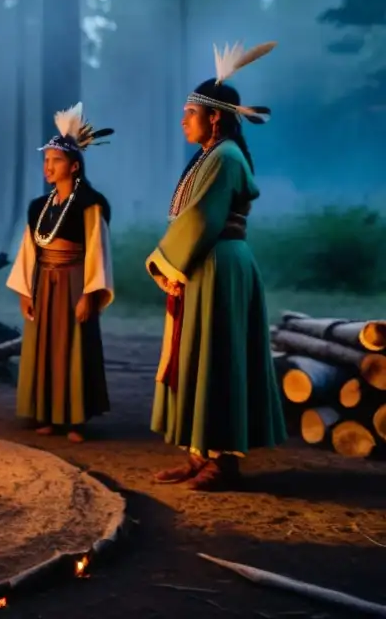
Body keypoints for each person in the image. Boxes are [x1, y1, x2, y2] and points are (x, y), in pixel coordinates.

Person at [147, 41, 287, 491]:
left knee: (219, 357)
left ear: (214, 116)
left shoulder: (224, 157)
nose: (183, 119)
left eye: (190, 112)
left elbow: (201, 218)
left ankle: (223, 460)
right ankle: (198, 452)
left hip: (217, 264)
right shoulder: (210, 154)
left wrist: (167, 263)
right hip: (204, 264)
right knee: (197, 356)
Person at [7, 102, 115, 442]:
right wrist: (26, 291)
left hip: (73, 282)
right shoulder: (39, 207)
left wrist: (89, 294)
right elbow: (29, 249)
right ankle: (49, 414)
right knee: (45, 348)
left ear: (74, 165)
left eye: (55, 161)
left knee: (73, 348)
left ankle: (75, 420)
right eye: (46, 160)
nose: (48, 167)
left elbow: (97, 249)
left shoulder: (89, 203)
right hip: (44, 283)